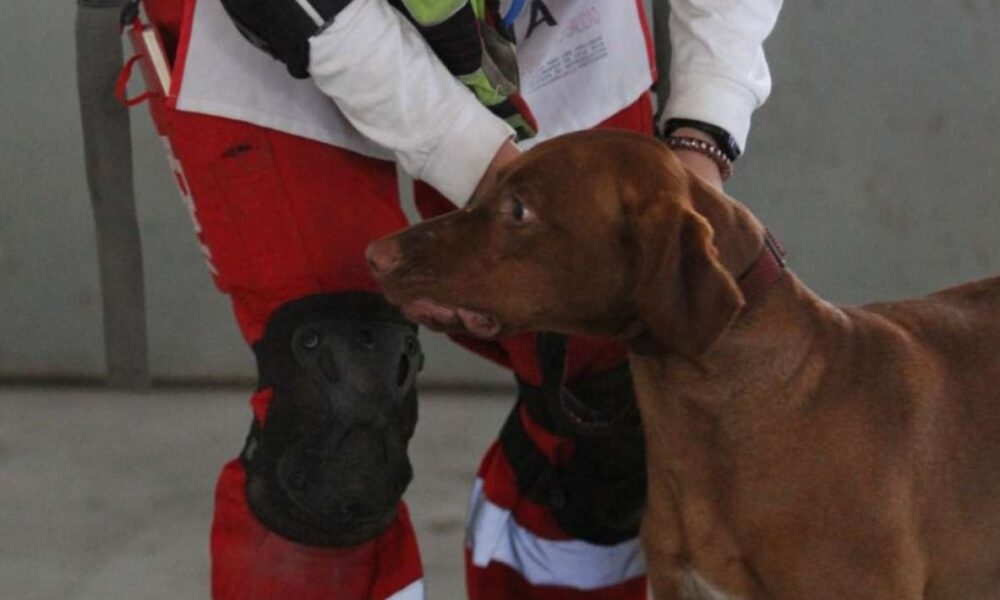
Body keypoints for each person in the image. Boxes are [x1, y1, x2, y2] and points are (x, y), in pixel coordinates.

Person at [124, 0, 782, 598]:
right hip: (275, 32)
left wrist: (703, 135)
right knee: (335, 409)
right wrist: (506, 194)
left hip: (534, 22)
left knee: (603, 388)